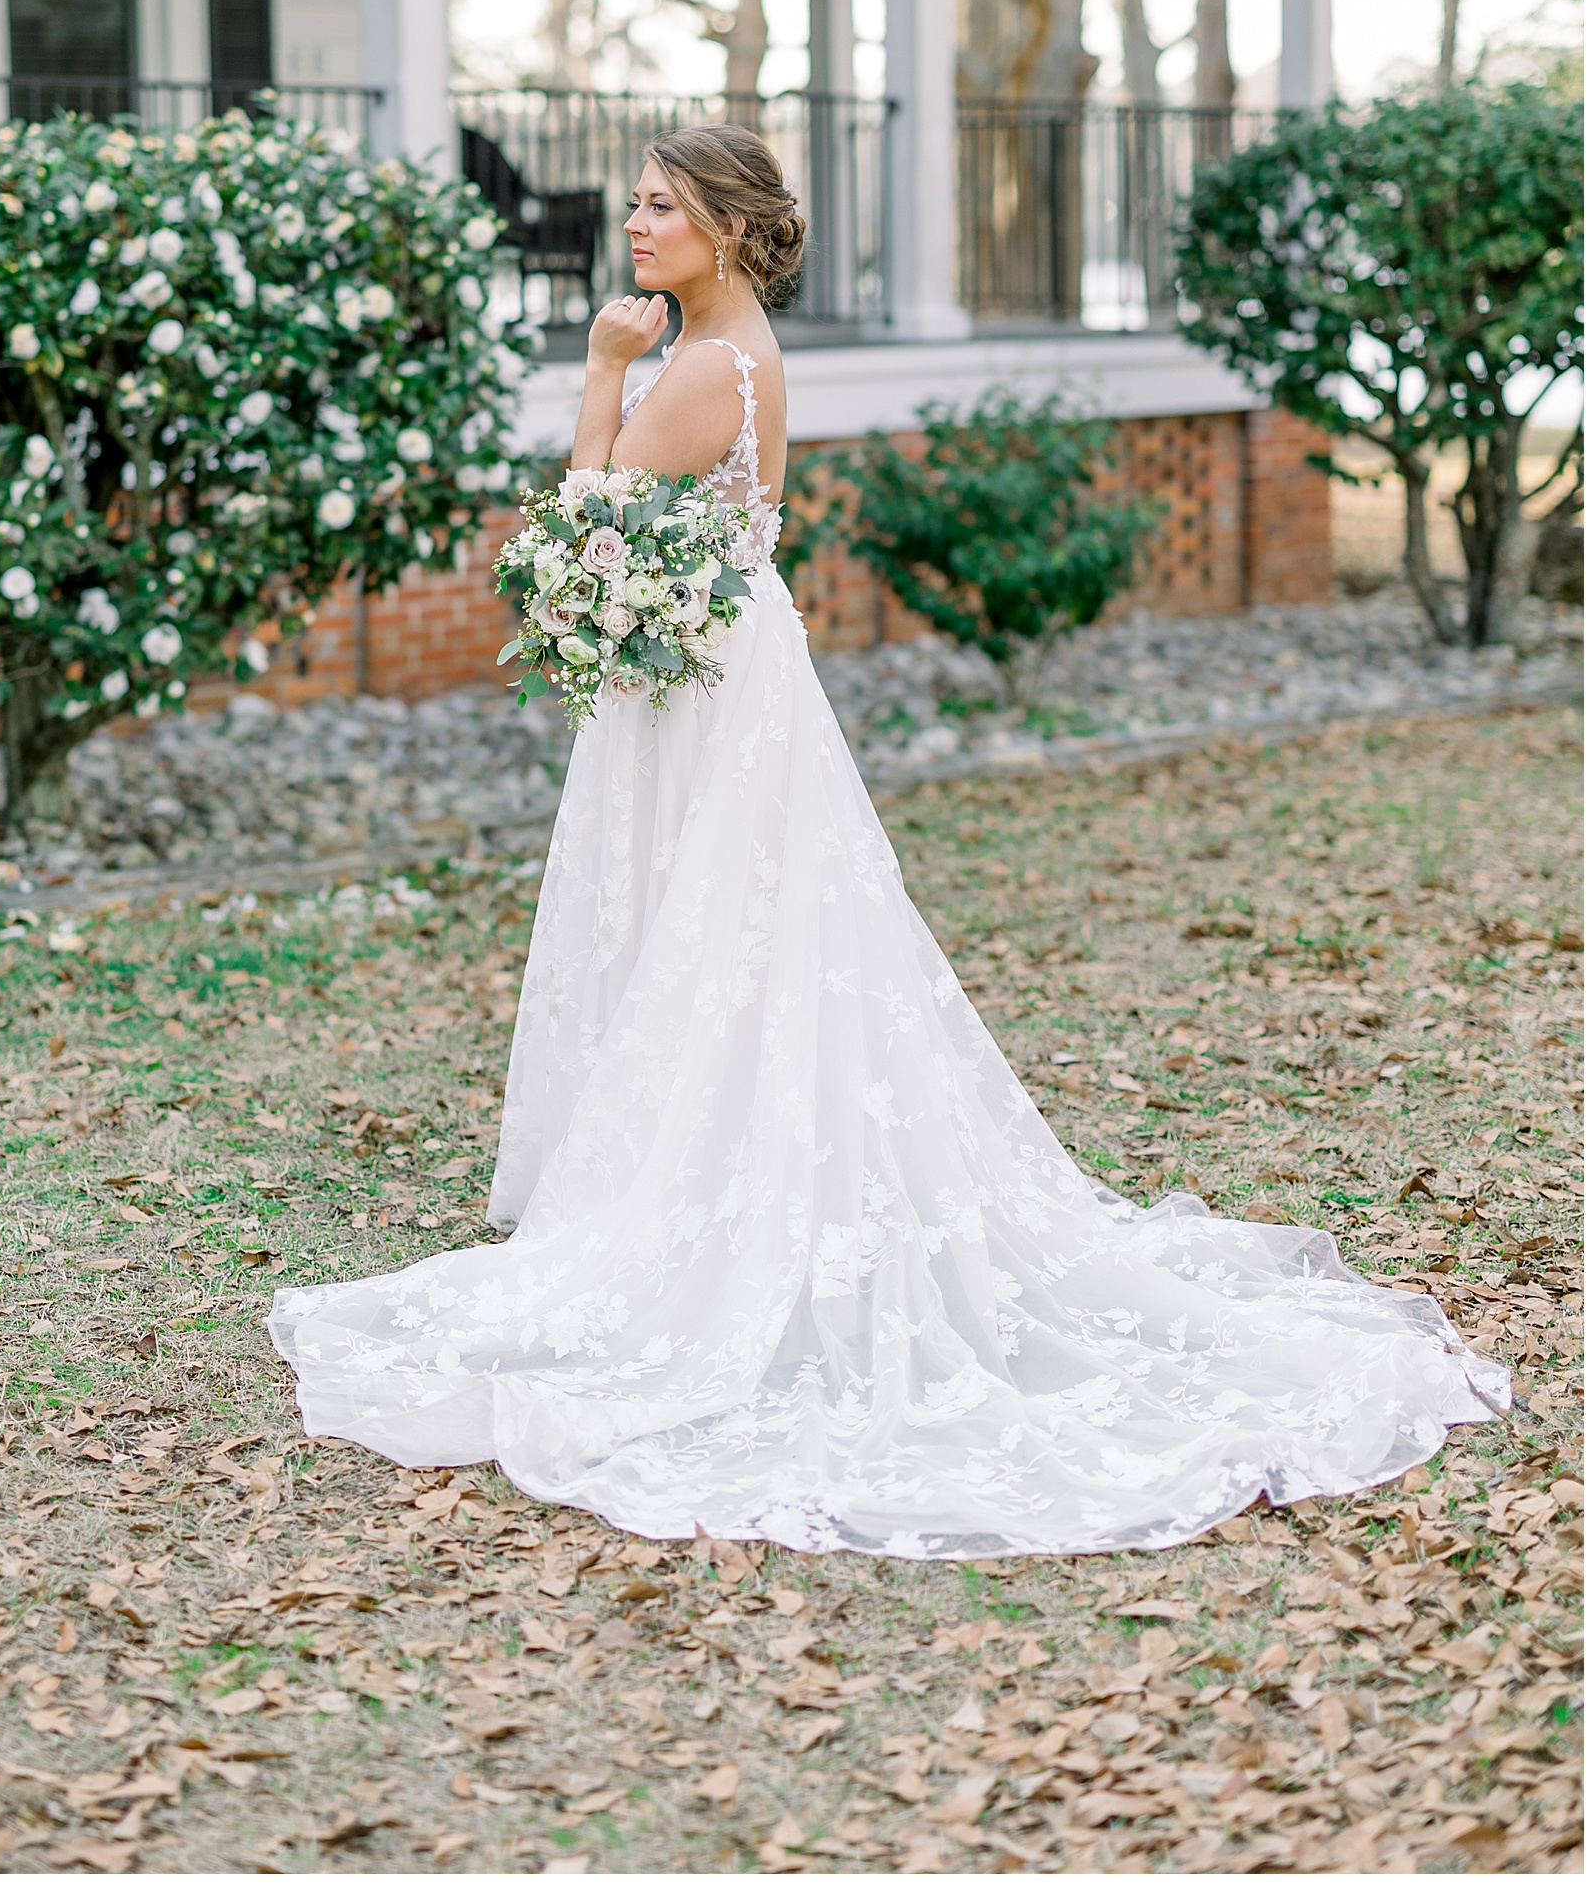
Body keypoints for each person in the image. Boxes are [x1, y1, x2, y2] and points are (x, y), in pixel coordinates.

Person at [270, 126, 1506, 1557]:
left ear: (730, 229)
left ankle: (707, 1193)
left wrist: (600, 374)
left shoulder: (699, 368)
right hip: (721, 671)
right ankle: (701, 1162)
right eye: (637, 202)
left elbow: (579, 530)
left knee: (716, 925)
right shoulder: (736, 350)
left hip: (706, 687)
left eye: (663, 205)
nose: (637, 222)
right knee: (735, 927)